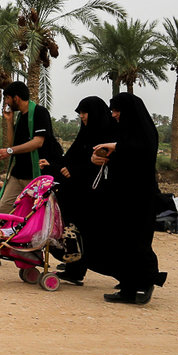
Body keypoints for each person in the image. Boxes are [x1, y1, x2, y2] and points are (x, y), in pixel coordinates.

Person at [88, 93, 167, 305]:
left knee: (137, 241)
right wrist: (101, 156)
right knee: (123, 240)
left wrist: (117, 147)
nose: (113, 114)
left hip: (139, 197)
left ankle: (141, 285)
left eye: (117, 110)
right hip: (123, 197)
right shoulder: (126, 132)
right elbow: (119, 158)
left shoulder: (144, 133)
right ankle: (130, 286)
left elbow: (141, 152)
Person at [53, 96, 116, 285]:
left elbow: (100, 163)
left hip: (94, 192)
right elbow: (73, 155)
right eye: (80, 113)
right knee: (75, 230)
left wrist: (75, 170)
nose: (82, 116)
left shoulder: (107, 134)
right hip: (76, 190)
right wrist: (62, 167)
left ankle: (79, 269)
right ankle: (75, 269)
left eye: (84, 112)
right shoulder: (86, 133)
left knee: (88, 232)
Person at [0, 81, 62, 216]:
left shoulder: (40, 112)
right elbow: (13, 144)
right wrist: (9, 121)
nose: (6, 102)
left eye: (7, 98)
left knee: (37, 213)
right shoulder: (21, 117)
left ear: (16, 98)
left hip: (35, 175)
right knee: (2, 209)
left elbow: (37, 142)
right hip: (18, 174)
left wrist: (9, 151)